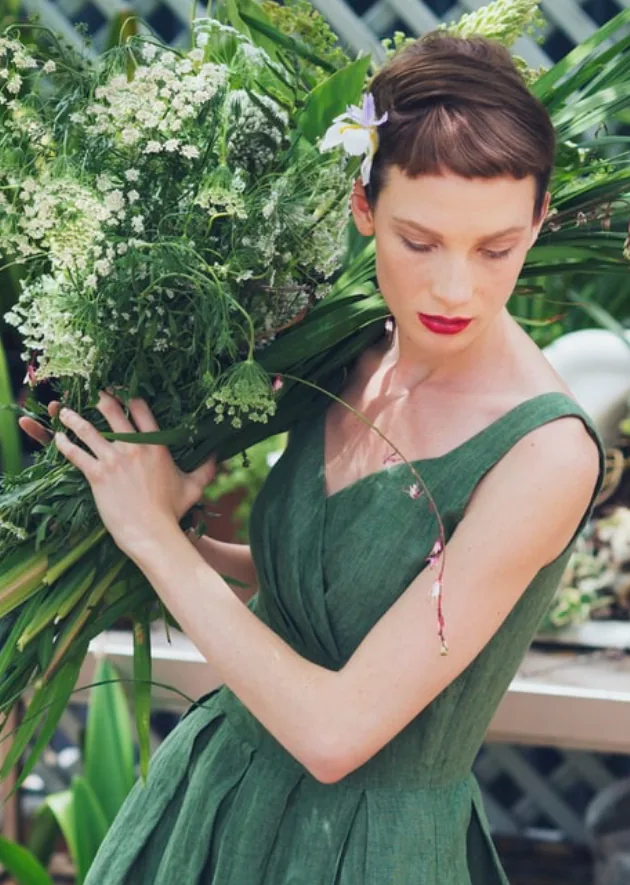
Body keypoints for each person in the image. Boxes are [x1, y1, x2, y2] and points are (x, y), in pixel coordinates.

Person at [20, 31, 605, 885]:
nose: (455, 289)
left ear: (540, 219)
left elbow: (335, 733)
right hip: (216, 798)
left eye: (496, 248)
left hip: (363, 851)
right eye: (419, 241)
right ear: (363, 206)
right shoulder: (351, 349)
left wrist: (154, 538)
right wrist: (161, 515)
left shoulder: (544, 453)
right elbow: (327, 595)